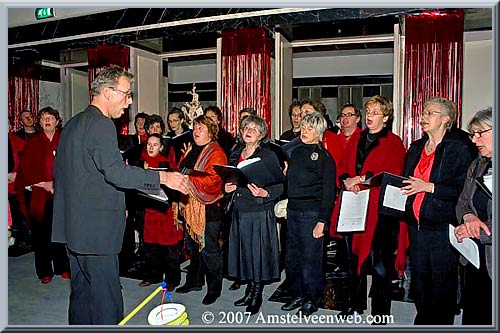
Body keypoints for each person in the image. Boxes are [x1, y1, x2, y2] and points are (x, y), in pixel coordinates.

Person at [51, 65, 189, 325]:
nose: (129, 101)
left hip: (74, 227)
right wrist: (163, 176)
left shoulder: (72, 123)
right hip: (96, 230)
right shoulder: (102, 125)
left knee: (81, 295)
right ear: (107, 91)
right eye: (126, 94)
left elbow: (73, 174)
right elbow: (116, 174)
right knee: (107, 299)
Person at [330, 95, 408, 319]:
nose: (370, 116)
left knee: (379, 264)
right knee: (351, 259)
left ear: (386, 117)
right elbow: (343, 163)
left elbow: (392, 172)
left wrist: (361, 179)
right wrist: (346, 179)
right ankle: (354, 303)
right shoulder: (357, 138)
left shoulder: (393, 142)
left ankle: (380, 312)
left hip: (377, 209)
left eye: (375, 112)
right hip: (353, 203)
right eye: (369, 111)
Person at [401, 97, 474, 325]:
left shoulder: (458, 149)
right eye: (423, 112)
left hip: (442, 226)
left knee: (442, 283)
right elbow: (406, 181)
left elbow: (463, 190)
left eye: (430, 113)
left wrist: (429, 187)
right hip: (416, 225)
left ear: (446, 119)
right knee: (420, 281)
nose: (423, 117)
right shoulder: (415, 147)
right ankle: (423, 319)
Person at [224, 115, 283, 315]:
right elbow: (230, 177)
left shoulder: (267, 155)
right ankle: (249, 288)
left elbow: (280, 184)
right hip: (239, 209)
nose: (248, 131)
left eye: (253, 129)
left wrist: (267, 193)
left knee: (257, 253)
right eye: (245, 127)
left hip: (258, 209)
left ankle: (257, 293)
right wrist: (227, 186)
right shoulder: (235, 152)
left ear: (261, 134)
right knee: (244, 253)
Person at [280, 111, 336, 317]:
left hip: (312, 214)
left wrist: (322, 221)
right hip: (293, 211)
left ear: (319, 132)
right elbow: (292, 183)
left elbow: (328, 192)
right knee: (292, 258)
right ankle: (297, 295)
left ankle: (311, 299)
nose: (304, 131)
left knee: (310, 261)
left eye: (310, 128)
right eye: (303, 127)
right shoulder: (294, 152)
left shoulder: (324, 157)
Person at [174, 115, 228, 306]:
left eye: (201, 128)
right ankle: (194, 282)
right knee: (192, 248)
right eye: (195, 128)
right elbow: (181, 168)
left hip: (208, 209)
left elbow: (214, 180)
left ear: (211, 132)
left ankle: (215, 288)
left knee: (209, 250)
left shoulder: (217, 152)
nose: (196, 131)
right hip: (189, 207)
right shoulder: (190, 148)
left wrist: (188, 179)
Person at [15, 107, 70, 284]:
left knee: (61, 232)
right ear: (39, 122)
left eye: (50, 118)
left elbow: (72, 166)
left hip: (61, 193)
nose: (47, 120)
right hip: (38, 193)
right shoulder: (33, 143)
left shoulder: (65, 140)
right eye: (43, 118)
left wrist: (56, 183)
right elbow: (25, 170)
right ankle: (44, 271)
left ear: (57, 121)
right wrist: (44, 183)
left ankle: (63, 266)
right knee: (41, 235)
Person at [454, 107, 492, 325]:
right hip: (474, 255)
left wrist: (479, 229)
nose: (475, 140)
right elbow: (463, 201)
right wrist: (468, 218)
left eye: (480, 133)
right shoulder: (477, 164)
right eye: (472, 134)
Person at [138, 134, 183, 291]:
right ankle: (153, 276)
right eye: (149, 144)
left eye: (155, 145)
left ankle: (172, 280)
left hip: (165, 212)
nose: (151, 148)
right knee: (151, 248)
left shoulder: (166, 164)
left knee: (170, 251)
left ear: (161, 147)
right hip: (149, 211)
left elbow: (175, 188)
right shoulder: (139, 162)